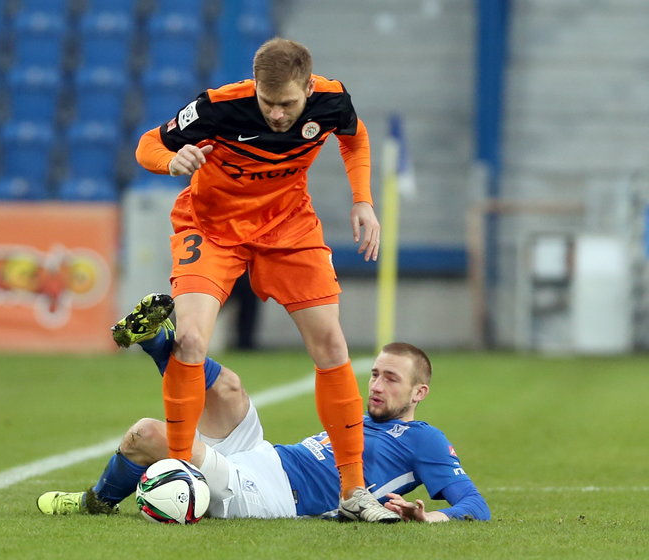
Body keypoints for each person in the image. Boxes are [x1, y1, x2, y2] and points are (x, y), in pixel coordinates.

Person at [124, 37, 383, 520]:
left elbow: (355, 135)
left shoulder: (332, 100)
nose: (278, 115)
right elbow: (149, 144)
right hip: (212, 227)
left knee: (331, 344)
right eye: (269, 103)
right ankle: (181, 469)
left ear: (308, 86)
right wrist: (170, 160)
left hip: (288, 226)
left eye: (288, 104)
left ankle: (353, 493)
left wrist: (362, 199)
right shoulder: (218, 106)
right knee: (190, 341)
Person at [38, 300, 490, 522]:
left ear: (419, 393)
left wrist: (430, 517)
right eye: (374, 374)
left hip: (270, 495)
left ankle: (95, 503)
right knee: (229, 386)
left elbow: (476, 505)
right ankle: (156, 338)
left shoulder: (423, 438)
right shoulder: (355, 416)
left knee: (146, 435)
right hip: (263, 455)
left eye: (391, 379)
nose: (376, 385)